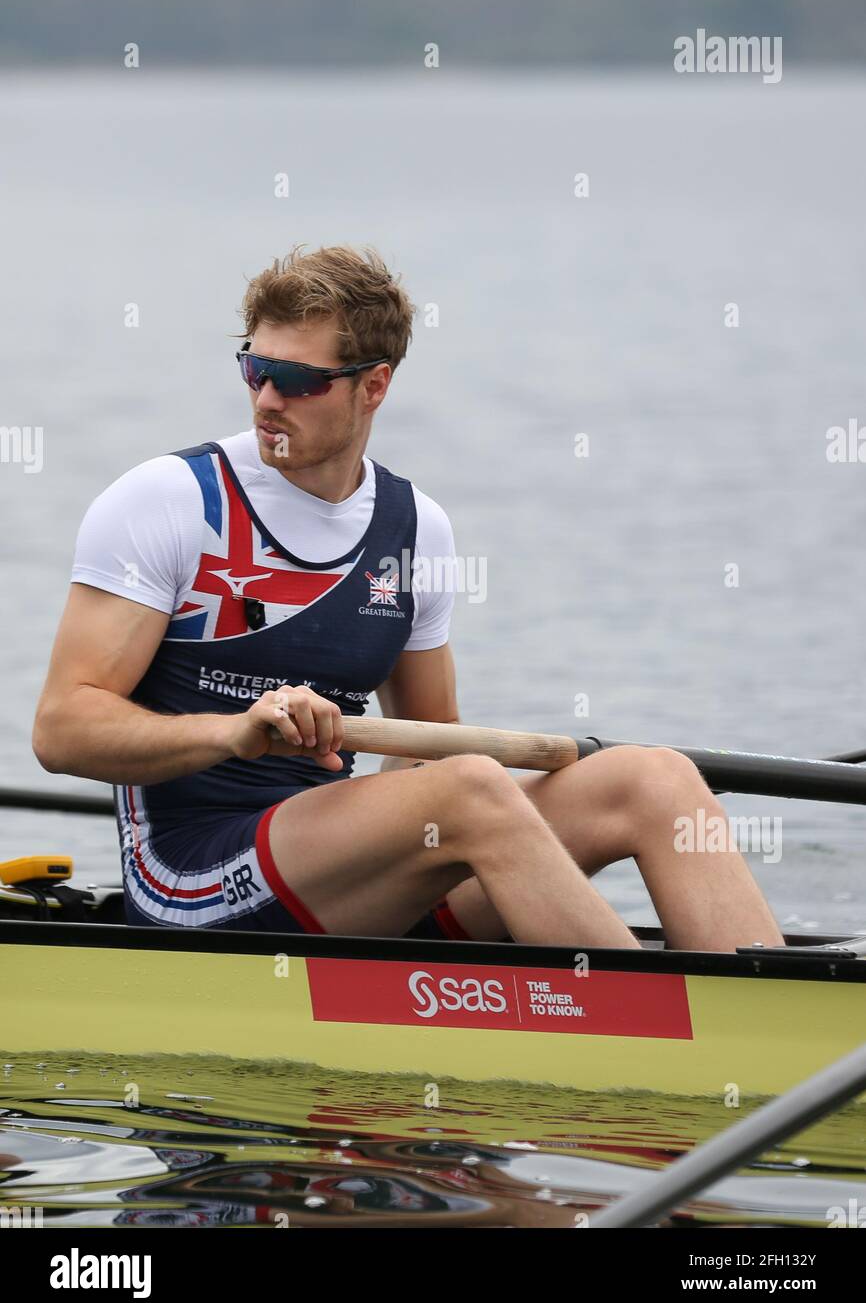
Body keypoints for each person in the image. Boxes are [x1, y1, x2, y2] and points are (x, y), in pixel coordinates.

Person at [33, 245, 781, 952]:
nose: (267, 399)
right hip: (190, 875)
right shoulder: (169, 501)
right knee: (472, 790)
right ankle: (658, 1031)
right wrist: (231, 733)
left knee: (656, 779)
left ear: (374, 385)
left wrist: (398, 849)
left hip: (330, 873)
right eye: (254, 369)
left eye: (297, 380)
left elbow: (427, 742)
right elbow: (63, 731)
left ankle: (772, 1030)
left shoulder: (417, 528)